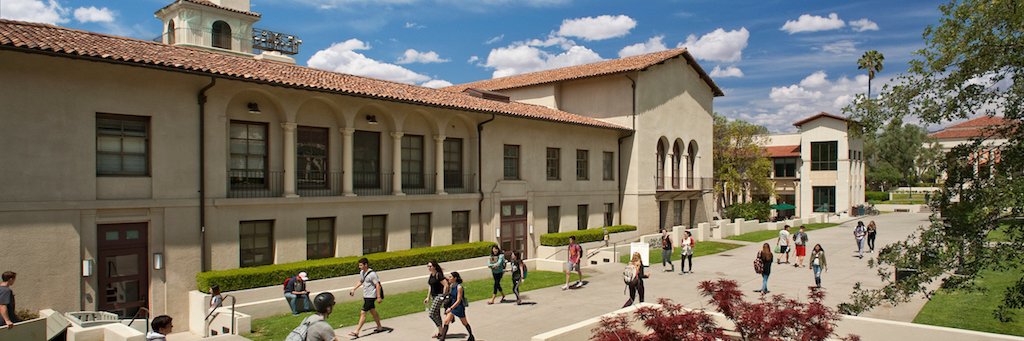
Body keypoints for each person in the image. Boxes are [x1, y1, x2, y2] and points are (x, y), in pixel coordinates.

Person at [348, 258, 384, 338]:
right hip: (366, 295)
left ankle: (356, 331)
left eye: (361, 265)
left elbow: (377, 285)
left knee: (363, 312)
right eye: (359, 265)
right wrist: (354, 289)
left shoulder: (372, 274)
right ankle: (379, 327)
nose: (359, 267)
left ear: (366, 265)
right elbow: (361, 281)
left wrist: (378, 297)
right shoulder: (362, 272)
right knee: (372, 311)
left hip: (371, 296)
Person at [439, 271, 474, 341]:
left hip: (458, 307)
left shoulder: (459, 287)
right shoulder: (452, 286)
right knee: (446, 321)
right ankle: (442, 339)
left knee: (464, 322)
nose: (449, 278)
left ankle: (471, 336)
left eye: (450, 277)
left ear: (455, 278)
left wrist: (450, 308)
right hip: (452, 305)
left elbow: (458, 300)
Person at [424, 260, 448, 338]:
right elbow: (430, 286)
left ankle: (441, 329)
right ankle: (440, 332)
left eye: (430, 266)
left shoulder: (439, 275)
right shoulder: (431, 275)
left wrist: (443, 295)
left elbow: (446, 285)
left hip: (439, 296)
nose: (429, 268)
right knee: (437, 315)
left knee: (431, 314)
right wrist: (428, 297)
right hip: (434, 296)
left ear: (434, 266)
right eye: (428, 266)